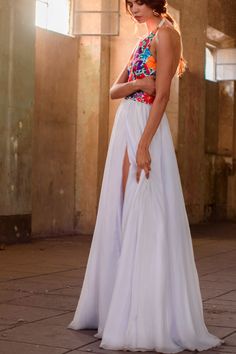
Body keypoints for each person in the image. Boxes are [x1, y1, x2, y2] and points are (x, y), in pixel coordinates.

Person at [68, 0, 225, 352]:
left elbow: (164, 93)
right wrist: (139, 81)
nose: (134, 9)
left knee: (146, 213)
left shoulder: (168, 35)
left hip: (145, 127)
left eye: (139, 2)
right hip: (125, 122)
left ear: (154, 1)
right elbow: (113, 90)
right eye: (130, 4)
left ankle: (147, 313)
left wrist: (144, 145)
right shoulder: (142, 40)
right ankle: (117, 306)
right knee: (121, 210)